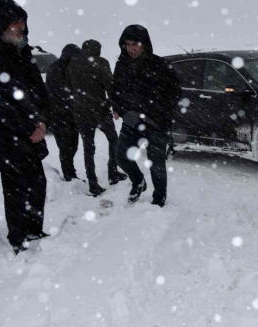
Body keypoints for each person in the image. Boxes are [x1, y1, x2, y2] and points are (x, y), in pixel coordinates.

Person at [0, 0, 50, 254]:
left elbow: (39, 91)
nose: (22, 27)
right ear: (0, 24)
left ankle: (34, 228)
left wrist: (42, 120)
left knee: (37, 182)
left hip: (31, 132)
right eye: (16, 22)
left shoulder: (22, 53)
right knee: (15, 188)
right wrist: (29, 128)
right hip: (5, 136)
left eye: (23, 22)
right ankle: (18, 237)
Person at [111, 25, 181, 206]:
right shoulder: (121, 65)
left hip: (156, 123)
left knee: (156, 163)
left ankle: (159, 200)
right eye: (127, 44)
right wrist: (120, 108)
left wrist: (158, 113)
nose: (131, 48)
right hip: (131, 122)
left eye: (135, 44)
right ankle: (138, 181)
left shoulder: (159, 65)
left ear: (144, 45)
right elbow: (115, 91)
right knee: (121, 156)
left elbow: (174, 93)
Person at [67, 39, 128, 196]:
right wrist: (115, 107)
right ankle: (112, 172)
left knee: (88, 148)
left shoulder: (73, 63)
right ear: (98, 50)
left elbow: (68, 86)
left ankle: (93, 183)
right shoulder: (101, 62)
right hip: (100, 111)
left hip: (81, 112)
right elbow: (109, 85)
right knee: (114, 140)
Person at [46, 43, 81, 182]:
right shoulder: (55, 68)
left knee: (73, 145)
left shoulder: (71, 68)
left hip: (71, 114)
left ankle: (70, 172)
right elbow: (58, 92)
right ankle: (69, 175)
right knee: (66, 146)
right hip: (59, 115)